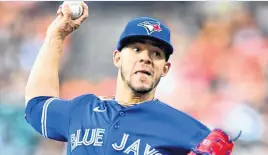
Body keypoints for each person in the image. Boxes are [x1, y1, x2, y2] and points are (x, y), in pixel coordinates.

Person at [24, 2, 237, 155]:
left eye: (156, 53)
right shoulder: (81, 111)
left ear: (165, 68)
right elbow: (36, 107)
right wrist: (56, 37)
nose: (145, 58)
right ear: (117, 58)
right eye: (136, 49)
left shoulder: (188, 130)